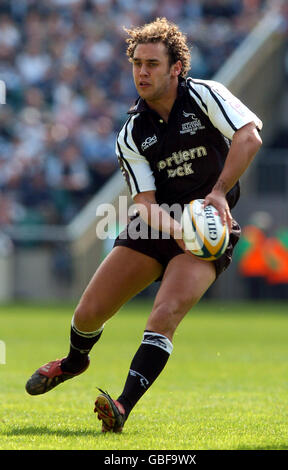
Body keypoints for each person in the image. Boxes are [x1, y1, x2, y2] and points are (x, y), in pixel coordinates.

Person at [25, 18, 263, 433]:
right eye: (137, 63)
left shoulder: (206, 95)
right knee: (87, 313)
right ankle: (74, 362)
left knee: (164, 315)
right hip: (157, 225)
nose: (142, 72)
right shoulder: (132, 131)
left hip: (211, 226)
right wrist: (178, 229)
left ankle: (120, 406)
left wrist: (219, 193)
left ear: (176, 68)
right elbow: (144, 203)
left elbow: (249, 137)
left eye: (152, 63)